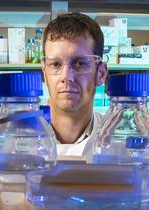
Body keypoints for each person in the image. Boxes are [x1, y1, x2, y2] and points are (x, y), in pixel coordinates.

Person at [41, 12, 108, 157]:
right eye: (55, 64)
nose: (66, 77)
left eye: (80, 63)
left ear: (101, 73)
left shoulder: (115, 140)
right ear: (44, 72)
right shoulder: (21, 140)